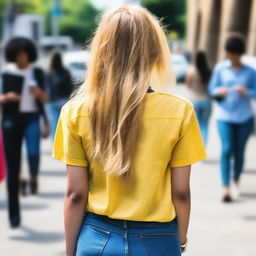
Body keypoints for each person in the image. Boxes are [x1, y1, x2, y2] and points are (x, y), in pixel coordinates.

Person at [53, 5, 206, 256]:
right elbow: (180, 191)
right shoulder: (180, 111)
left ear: (101, 51)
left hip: (96, 239)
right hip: (158, 239)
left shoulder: (75, 111)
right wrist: (179, 241)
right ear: (155, 52)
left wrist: (71, 251)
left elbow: (75, 194)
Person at [0, 37, 48, 227]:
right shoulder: (7, 73)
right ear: (13, 55)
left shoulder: (37, 72)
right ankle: (14, 213)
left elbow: (45, 98)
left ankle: (33, 177)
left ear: (30, 53)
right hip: (11, 120)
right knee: (13, 167)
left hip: (32, 118)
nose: (22, 57)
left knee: (33, 152)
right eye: (18, 54)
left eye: (25, 53)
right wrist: (7, 97)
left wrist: (39, 93)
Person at [208, 36, 256, 203]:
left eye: (235, 54)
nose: (232, 56)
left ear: (240, 53)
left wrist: (247, 91)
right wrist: (219, 91)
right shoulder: (221, 69)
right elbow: (211, 88)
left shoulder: (250, 72)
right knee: (227, 149)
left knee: (240, 152)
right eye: (230, 53)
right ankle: (225, 187)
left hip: (244, 117)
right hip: (224, 116)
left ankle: (236, 179)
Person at [185, 51, 212, 145]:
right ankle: (203, 149)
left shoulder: (191, 71)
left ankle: (196, 149)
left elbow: (188, 85)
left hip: (194, 100)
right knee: (204, 125)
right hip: (206, 101)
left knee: (195, 126)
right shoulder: (208, 71)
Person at [46, 51, 72, 139]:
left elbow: (47, 88)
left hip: (52, 101)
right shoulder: (65, 72)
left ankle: (55, 144)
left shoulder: (49, 73)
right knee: (64, 124)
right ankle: (64, 143)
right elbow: (69, 87)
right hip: (63, 100)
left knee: (54, 125)